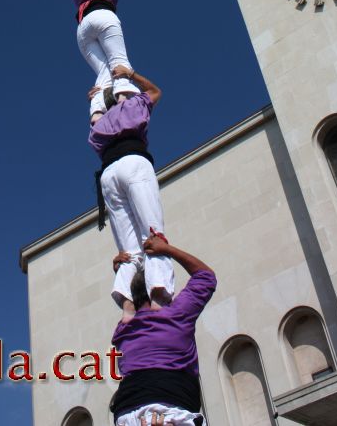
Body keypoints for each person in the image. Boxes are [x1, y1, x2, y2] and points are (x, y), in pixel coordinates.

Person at [89, 67, 173, 308]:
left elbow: (94, 114)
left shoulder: (98, 124)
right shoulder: (133, 107)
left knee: (129, 251)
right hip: (134, 164)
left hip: (108, 176)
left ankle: (127, 309)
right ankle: (159, 298)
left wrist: (96, 99)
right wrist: (130, 74)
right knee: (153, 235)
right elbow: (156, 91)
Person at [109, 236, 217, 426]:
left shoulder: (125, 329)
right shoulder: (176, 316)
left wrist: (123, 272)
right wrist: (168, 250)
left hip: (130, 413)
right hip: (168, 410)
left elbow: (129, 300)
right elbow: (206, 276)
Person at [72, 0, 139, 110]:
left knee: (103, 75)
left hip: (83, 26)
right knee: (120, 63)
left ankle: (97, 112)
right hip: (103, 14)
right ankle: (124, 106)